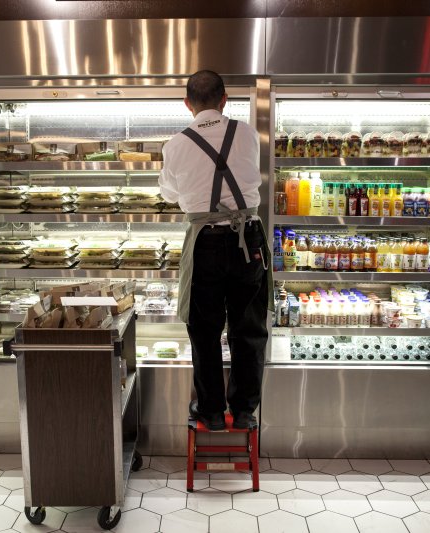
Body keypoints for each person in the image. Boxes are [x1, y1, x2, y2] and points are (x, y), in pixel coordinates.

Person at [159, 70, 272, 431]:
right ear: (225, 100)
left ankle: (209, 411)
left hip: (205, 240)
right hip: (247, 240)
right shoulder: (248, 133)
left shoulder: (175, 144)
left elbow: (170, 195)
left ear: (187, 104)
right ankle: (243, 411)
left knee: (205, 329)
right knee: (248, 329)